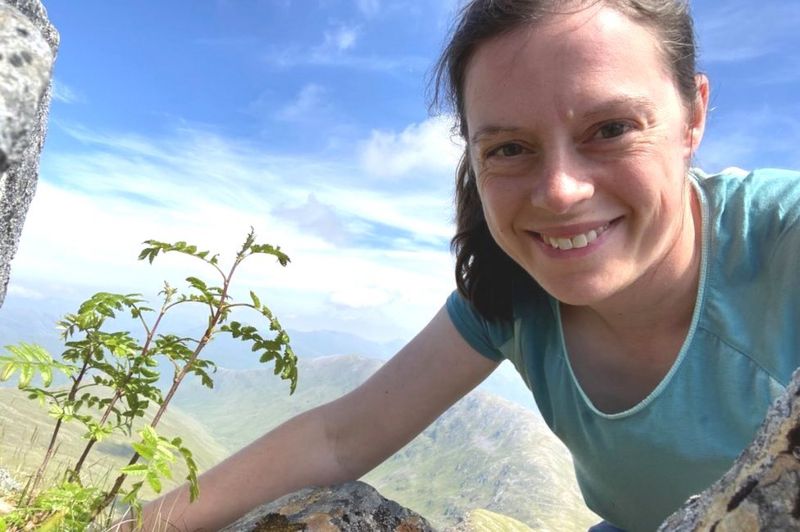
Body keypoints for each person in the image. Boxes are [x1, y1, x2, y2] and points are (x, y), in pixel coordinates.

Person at [126, 1, 800, 530]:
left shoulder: (779, 241)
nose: (560, 190)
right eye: (510, 147)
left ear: (693, 115)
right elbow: (339, 438)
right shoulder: (510, 292)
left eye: (612, 128)